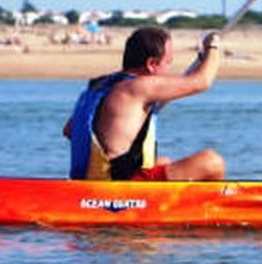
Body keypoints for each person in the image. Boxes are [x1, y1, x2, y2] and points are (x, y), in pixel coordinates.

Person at [63, 26, 225, 181]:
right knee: (211, 162)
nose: (168, 71)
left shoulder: (102, 86)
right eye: (167, 63)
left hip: (90, 180)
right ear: (152, 64)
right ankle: (212, 209)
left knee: (163, 162)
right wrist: (213, 44)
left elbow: (70, 130)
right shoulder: (140, 87)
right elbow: (202, 81)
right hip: (119, 186)